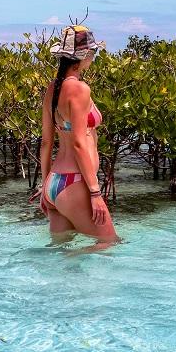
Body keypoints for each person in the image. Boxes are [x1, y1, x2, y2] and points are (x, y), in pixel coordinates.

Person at [30, 24, 121, 248]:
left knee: (61, 252)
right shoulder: (80, 89)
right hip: (75, 183)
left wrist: (45, 186)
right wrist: (95, 193)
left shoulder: (52, 88)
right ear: (83, 56)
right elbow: (79, 144)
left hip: (54, 183)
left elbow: (46, 143)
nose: (94, 56)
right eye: (93, 52)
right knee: (109, 243)